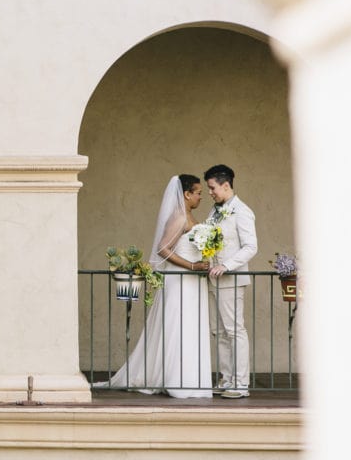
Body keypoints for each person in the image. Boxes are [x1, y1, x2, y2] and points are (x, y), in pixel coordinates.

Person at [95, 175, 213, 398]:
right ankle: (175, 379)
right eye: (198, 192)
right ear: (186, 194)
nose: (200, 197)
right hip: (180, 279)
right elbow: (163, 249)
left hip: (193, 281)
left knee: (190, 327)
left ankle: (191, 378)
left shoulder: (191, 216)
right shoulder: (179, 218)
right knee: (177, 326)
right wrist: (191, 265)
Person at [204, 164, 258, 399]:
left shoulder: (242, 211)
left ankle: (240, 383)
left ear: (226, 185)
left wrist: (226, 266)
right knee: (218, 331)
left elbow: (251, 246)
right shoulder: (214, 212)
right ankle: (226, 378)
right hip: (213, 279)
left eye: (212, 187)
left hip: (231, 279)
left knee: (234, 330)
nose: (210, 192)